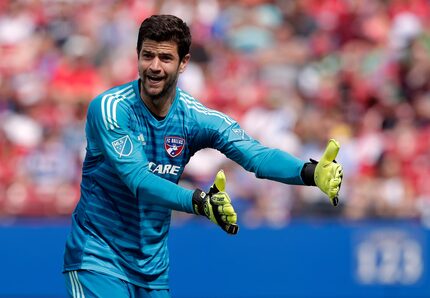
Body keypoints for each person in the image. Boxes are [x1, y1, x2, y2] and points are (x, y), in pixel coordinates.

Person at [62, 14, 343, 298]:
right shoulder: (110, 108)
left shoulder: (196, 118)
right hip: (98, 257)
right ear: (137, 56)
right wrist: (198, 201)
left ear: (184, 63)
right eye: (147, 56)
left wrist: (309, 172)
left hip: (152, 270)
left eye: (165, 58)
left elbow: (255, 155)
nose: (154, 67)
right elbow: (137, 179)